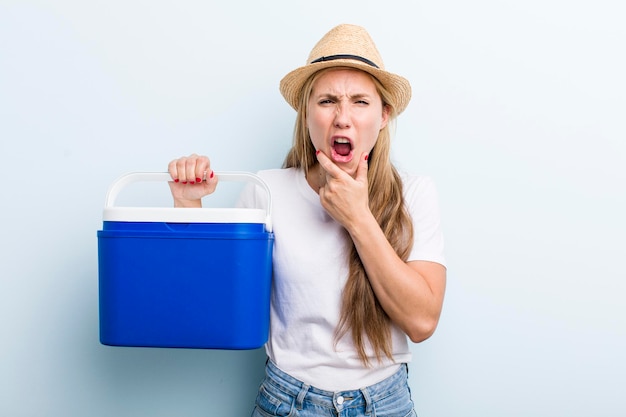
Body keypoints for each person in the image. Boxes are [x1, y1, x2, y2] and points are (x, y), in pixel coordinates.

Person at [167, 24, 446, 417]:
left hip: (386, 404)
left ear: (383, 115)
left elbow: (421, 322)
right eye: (328, 100)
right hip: (286, 402)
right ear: (306, 113)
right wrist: (187, 207)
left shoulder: (415, 193)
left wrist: (358, 218)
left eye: (360, 102)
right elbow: (213, 306)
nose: (343, 118)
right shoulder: (266, 191)